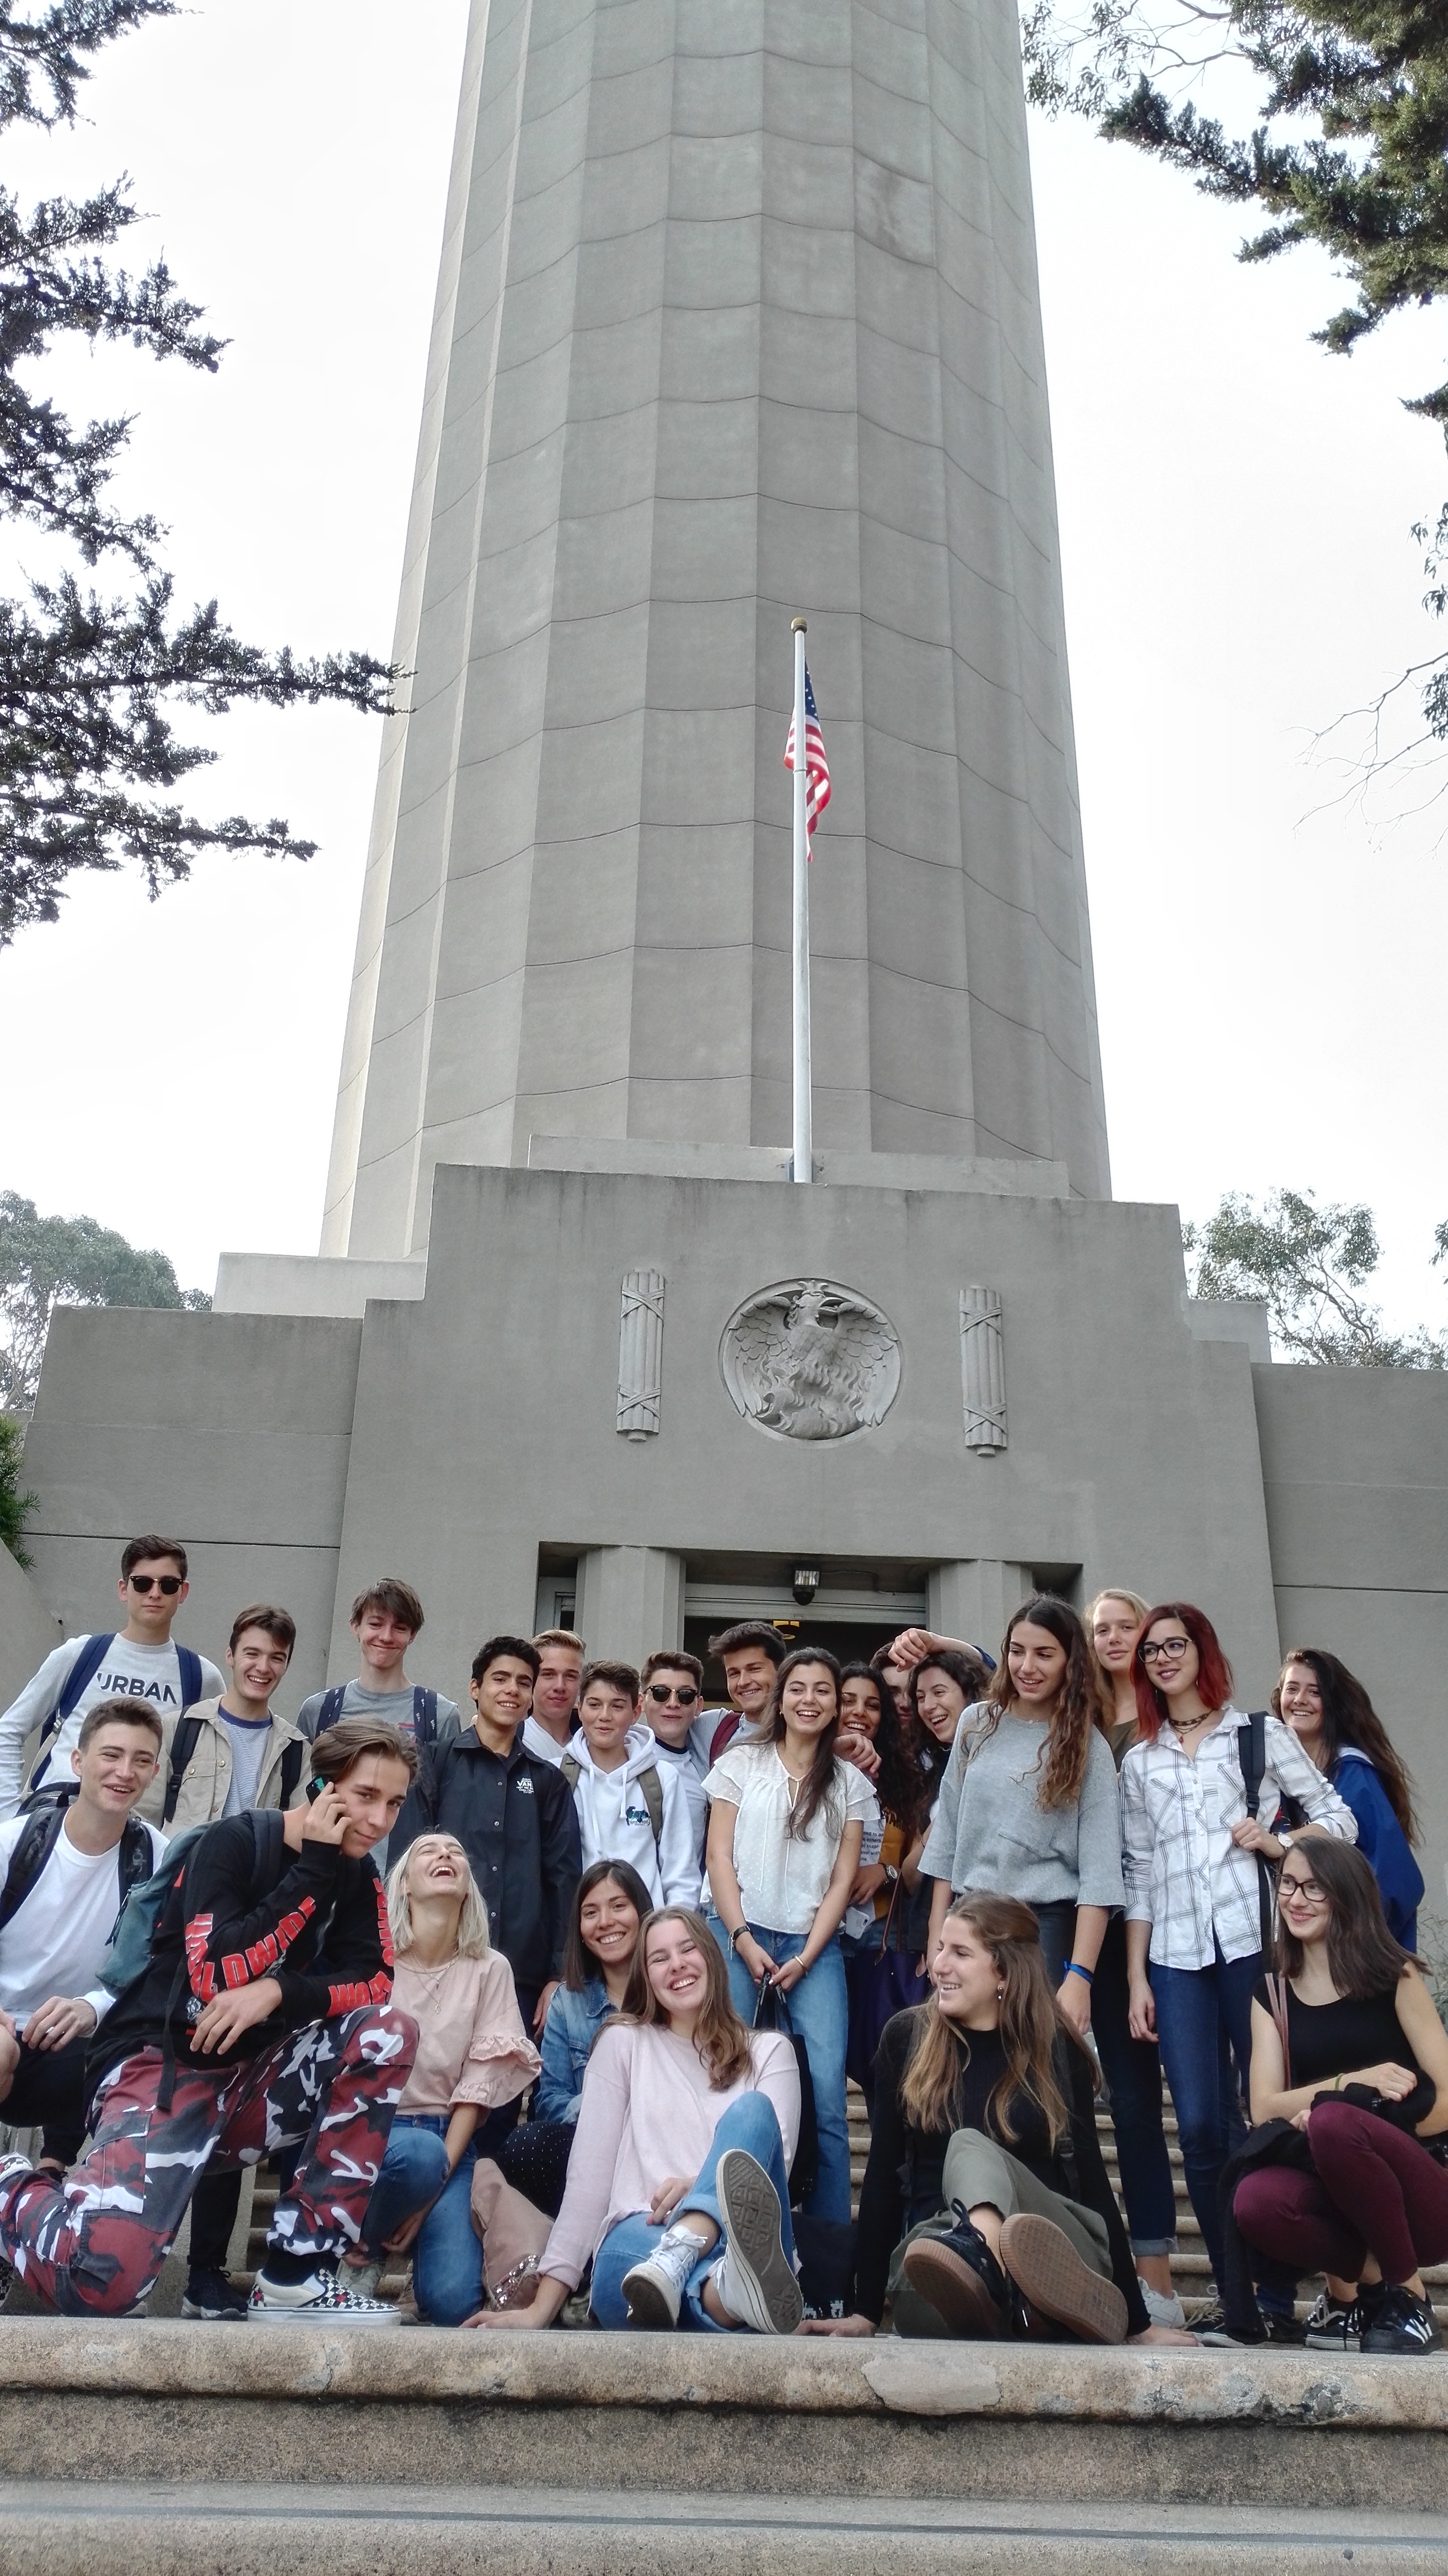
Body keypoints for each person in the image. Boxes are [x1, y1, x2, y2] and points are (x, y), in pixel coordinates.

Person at [0, 1716, 419, 2322]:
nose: (380, 1820)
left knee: (388, 2032)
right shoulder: (234, 1842)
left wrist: (277, 1991)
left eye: (395, 1803)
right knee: (99, 2287)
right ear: (322, 1788)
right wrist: (311, 1871)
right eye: (365, 1796)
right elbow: (215, 1973)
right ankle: (12, 2183)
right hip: (160, 2068)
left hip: (252, 2083)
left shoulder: (355, 1874)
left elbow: (376, 1980)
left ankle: (295, 2275)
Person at [802, 1894, 1190, 2346]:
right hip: (941, 2251)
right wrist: (866, 2312)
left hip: (1049, 2244)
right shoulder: (906, 2039)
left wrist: (1140, 2326)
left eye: (960, 1953)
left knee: (970, 2147)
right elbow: (883, 2181)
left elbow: (1092, 2181)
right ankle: (1004, 2298)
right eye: (940, 1949)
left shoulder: (1055, 2047)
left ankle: (996, 2270)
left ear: (1003, 1971)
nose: (939, 1966)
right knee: (932, 2267)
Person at [1120, 1600, 1356, 2334]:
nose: (1162, 1658)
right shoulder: (1139, 1759)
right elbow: (1138, 1873)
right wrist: (1135, 1976)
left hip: (1252, 1948)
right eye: (1151, 1649)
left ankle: (1276, 2296)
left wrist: (1280, 1844)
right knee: (1197, 2125)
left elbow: (1339, 1819)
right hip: (1174, 1958)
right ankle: (1236, 2299)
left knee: (1265, 2115)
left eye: (1175, 1644)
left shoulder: (1256, 1734)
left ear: (1202, 1651)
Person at [468, 1906, 803, 2334]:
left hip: (737, 2245)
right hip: (642, 2239)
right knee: (635, 2274)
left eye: (688, 1949)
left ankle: (706, 2271)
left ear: (713, 1958)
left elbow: (773, 2171)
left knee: (752, 2112)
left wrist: (697, 2190)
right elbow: (588, 2184)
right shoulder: (622, 2043)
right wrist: (540, 2310)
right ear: (645, 1977)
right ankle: (728, 2298)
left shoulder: (770, 2052)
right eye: (659, 1958)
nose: (677, 1964)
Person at [1234, 1839, 1448, 2356]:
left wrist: (1360, 2127)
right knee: (1254, 2201)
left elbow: (1447, 2098)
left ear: (1345, 1895)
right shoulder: (1272, 1993)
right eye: (1288, 1884)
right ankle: (1372, 2292)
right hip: (1334, 2183)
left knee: (1334, 2123)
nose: (1296, 1899)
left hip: (1421, 2188)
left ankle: (1410, 2297)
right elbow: (1264, 2107)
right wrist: (1354, 2084)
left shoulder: (1394, 1977)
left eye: (1315, 1888)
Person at [704, 1646, 876, 2224]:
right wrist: (741, 1937)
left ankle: (829, 2253)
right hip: (736, 1935)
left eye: (822, 1690)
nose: (809, 1700)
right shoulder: (740, 1763)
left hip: (813, 1948)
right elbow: (718, 1857)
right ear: (781, 1699)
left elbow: (842, 1881)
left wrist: (805, 1957)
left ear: (835, 1705)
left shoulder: (850, 1783)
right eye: (798, 1688)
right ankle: (718, 2229)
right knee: (725, 2080)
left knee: (825, 2100)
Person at [340, 1832, 540, 2324]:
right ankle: (364, 2253)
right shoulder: (373, 1959)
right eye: (428, 1851)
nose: (446, 1855)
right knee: (415, 2155)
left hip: (448, 2143)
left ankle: (419, 2267)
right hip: (373, 2136)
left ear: (468, 1887)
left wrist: (429, 2192)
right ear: (404, 1885)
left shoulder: (490, 1968)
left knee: (452, 2303)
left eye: (456, 1852)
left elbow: (477, 2087)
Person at [922, 1599, 1124, 2030]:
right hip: (970, 1914)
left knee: (1030, 2055)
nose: (1027, 1667)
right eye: (1017, 1651)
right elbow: (947, 1838)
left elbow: (1101, 1873)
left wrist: (1080, 1976)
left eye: (1044, 1654)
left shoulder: (1089, 1746)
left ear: (1071, 1662)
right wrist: (938, 1935)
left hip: (1041, 1926)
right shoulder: (976, 1723)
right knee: (962, 2053)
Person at [0, 1702, 166, 2173]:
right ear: (78, 1761)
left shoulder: (157, 1857)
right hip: (5, 2027)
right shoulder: (14, 1843)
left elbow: (160, 1969)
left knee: (149, 2062)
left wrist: (94, 2006)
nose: (124, 1772)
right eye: (111, 1755)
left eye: (141, 1760)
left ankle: (61, 2180)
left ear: (155, 1773)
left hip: (78, 2047)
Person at [394, 1636, 581, 2038]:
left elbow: (564, 1882)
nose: (512, 1690)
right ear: (475, 1688)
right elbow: (406, 1865)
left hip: (521, 1976)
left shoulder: (548, 1781)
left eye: (524, 1682)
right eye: (500, 1679)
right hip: (437, 1965)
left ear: (531, 1698)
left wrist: (558, 1975)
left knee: (503, 2078)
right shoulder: (433, 1763)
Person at [1083, 1586, 1184, 2328]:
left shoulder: (1169, 1718)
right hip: (1085, 1922)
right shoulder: (1078, 1716)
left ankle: (1158, 2279)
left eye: (1128, 1627)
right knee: (1092, 2104)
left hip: (1159, 1926)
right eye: (1102, 1630)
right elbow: (1003, 1668)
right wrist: (942, 1645)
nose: (1114, 1638)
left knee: (1142, 2104)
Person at [0, 1535, 222, 1818]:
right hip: (52, 1820)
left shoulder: (201, 1676)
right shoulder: (79, 1654)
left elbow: (219, 1766)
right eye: (142, 1583)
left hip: (139, 1833)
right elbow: (9, 1731)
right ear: (124, 1589)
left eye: (168, 1585)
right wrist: (7, 1813)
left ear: (183, 1592)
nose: (155, 1593)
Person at [498, 1858, 654, 2218]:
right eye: (591, 1913)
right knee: (525, 2146)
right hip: (594, 2147)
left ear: (642, 1913)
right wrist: (603, 2105)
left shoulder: (670, 1984)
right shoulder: (567, 2002)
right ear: (580, 1929)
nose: (605, 1922)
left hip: (663, 2142)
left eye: (619, 1906)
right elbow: (549, 2101)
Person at [1273, 1649, 1424, 1949]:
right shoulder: (1272, 1776)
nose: (1300, 1699)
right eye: (1292, 1689)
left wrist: (1354, 1939)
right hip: (1299, 1946)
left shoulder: (1353, 1774)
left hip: (1349, 1949)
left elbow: (1394, 1875)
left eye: (1315, 1692)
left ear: (1333, 1703)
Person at [836, 1663, 927, 2108]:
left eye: (873, 1705)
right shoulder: (807, 1768)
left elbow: (911, 1868)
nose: (860, 1712)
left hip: (878, 1935)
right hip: (815, 1936)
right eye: (848, 1700)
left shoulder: (901, 1776)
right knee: (823, 2060)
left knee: (881, 2062)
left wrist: (884, 1871)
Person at [143, 1604, 305, 1832]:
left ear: (287, 1665)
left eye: (277, 1658)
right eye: (252, 1654)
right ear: (230, 1656)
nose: (263, 1667)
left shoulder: (297, 1751)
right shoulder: (175, 1729)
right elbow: (143, 1822)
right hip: (183, 1857)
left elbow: (300, 1834)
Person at [558, 1661, 698, 1908]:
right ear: (579, 1708)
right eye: (594, 1705)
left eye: (617, 1706)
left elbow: (681, 1876)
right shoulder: (557, 1776)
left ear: (636, 1711)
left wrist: (672, 1927)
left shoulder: (663, 1778)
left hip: (647, 1926)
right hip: (580, 1925)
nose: (604, 1716)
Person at [295, 1578, 460, 1755]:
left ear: (412, 1635)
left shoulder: (440, 1715)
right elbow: (304, 1772)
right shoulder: (317, 1710)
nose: (386, 1637)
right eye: (376, 1624)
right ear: (356, 1627)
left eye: (400, 1628)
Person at [636, 1650, 710, 1864]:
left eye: (685, 1695)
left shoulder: (706, 1769)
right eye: (661, 1693)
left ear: (699, 1705)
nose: (673, 1703)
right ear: (642, 1702)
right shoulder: (622, 1759)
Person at [698, 1622, 788, 1762]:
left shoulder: (809, 1735)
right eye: (734, 1673)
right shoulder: (713, 1727)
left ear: (782, 1671)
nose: (743, 1682)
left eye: (754, 1669)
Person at [522, 1629, 586, 1764]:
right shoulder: (513, 1743)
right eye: (549, 1674)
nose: (560, 1686)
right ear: (531, 1680)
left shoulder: (593, 1743)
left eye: (570, 1676)